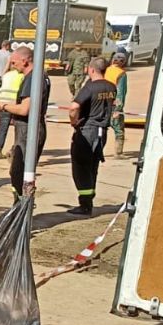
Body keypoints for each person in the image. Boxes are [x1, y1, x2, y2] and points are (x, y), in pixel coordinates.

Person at [0, 48, 50, 199]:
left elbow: (25, 109)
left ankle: (21, 205)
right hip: (30, 128)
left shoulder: (33, 78)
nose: (12, 65)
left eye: (14, 62)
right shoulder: (38, 76)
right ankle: (20, 204)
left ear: (25, 61)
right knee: (20, 170)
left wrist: (2, 106)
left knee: (19, 171)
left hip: (29, 130)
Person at [64, 57, 118, 216]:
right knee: (93, 166)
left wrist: (73, 122)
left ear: (91, 69)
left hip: (88, 130)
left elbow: (74, 107)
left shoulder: (90, 87)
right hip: (102, 132)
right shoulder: (111, 87)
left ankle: (85, 204)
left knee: (80, 167)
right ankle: (89, 200)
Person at [0, 52, 24, 159]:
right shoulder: (22, 76)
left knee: (2, 128)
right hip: (14, 104)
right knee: (19, 128)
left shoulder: (6, 75)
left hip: (2, 103)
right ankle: (14, 149)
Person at [106, 51, 129, 157]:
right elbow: (120, 93)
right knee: (119, 130)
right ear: (123, 62)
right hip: (114, 105)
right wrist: (118, 109)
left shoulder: (106, 70)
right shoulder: (121, 74)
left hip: (102, 103)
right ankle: (118, 153)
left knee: (101, 128)